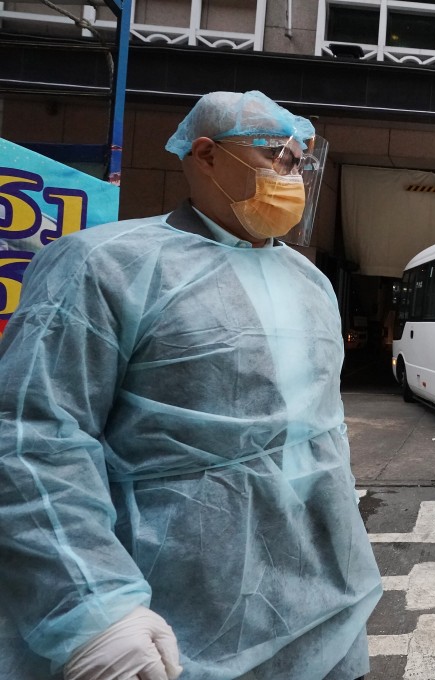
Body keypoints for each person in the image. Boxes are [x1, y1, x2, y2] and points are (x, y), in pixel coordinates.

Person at [0, 91, 382, 680]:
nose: (293, 175)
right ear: (206, 155)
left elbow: (321, 438)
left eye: (301, 161)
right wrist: (93, 605)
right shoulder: (103, 264)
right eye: (276, 156)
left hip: (327, 603)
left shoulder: (310, 282)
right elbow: (34, 438)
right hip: (172, 615)